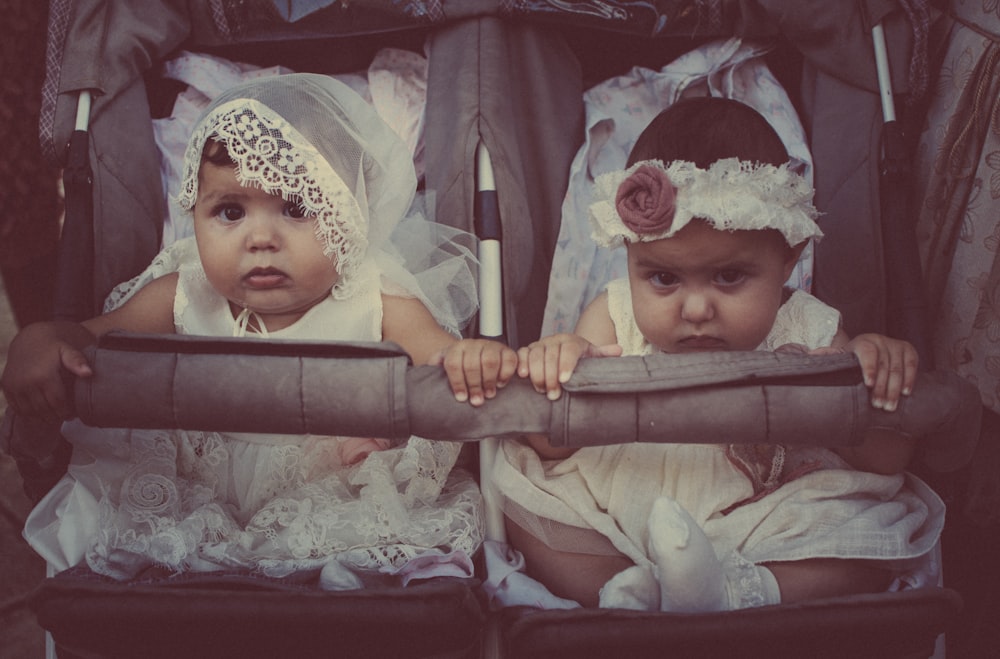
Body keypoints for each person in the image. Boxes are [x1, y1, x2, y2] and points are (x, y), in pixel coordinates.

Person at [1, 74, 517, 585]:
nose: (261, 238)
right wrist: (37, 341)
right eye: (230, 211)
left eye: (294, 208)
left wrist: (469, 360)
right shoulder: (180, 294)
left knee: (370, 559)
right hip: (195, 494)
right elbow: (83, 340)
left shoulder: (378, 300)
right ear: (195, 214)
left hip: (333, 496)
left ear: (348, 214)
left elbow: (446, 361)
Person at [492, 97, 944, 610]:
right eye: (663, 278)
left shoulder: (810, 326)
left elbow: (885, 461)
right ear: (630, 257)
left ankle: (736, 592)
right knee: (530, 504)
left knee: (865, 536)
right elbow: (553, 447)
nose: (698, 307)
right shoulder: (613, 315)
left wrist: (873, 374)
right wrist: (561, 361)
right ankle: (621, 591)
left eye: (729, 276)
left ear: (790, 256)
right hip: (624, 501)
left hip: (768, 519)